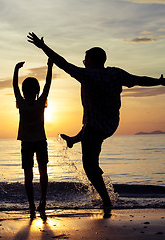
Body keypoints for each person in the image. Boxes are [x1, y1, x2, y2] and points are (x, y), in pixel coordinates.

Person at [27, 32, 164, 217]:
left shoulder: (87, 74)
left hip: (94, 126)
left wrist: (43, 47)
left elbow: (63, 63)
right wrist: (160, 81)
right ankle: (74, 139)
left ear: (91, 60)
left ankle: (106, 201)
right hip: (111, 124)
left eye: (85, 59)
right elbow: (140, 80)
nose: (83, 62)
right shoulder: (115, 72)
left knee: (89, 166)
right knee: (89, 134)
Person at [13, 59, 53, 219]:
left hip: (31, 142)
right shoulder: (38, 103)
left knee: (31, 175)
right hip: (36, 142)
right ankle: (38, 201)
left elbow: (15, 87)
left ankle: (37, 202)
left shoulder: (23, 103)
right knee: (38, 173)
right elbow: (48, 84)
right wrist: (49, 67)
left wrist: (16, 70)